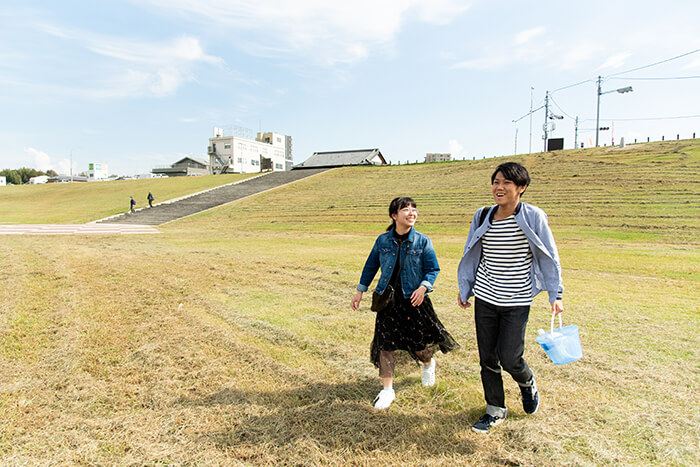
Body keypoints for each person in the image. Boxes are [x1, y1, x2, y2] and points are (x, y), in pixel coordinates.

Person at [457, 162, 564, 433]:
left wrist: (556, 293)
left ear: (521, 188)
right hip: (485, 297)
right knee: (487, 358)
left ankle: (527, 382)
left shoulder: (533, 216)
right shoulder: (482, 216)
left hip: (517, 298)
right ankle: (494, 409)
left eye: (506, 183)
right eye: (495, 182)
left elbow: (549, 254)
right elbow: (472, 252)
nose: (499, 187)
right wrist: (466, 287)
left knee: (510, 357)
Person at [351, 197, 459, 410]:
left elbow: (432, 269)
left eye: (414, 209)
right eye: (406, 210)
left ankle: (428, 364)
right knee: (385, 344)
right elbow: (370, 265)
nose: (412, 213)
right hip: (388, 301)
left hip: (414, 299)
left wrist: (423, 287)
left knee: (419, 345)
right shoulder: (383, 241)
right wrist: (359, 291)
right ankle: (387, 390)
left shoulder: (423, 241)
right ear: (394, 216)